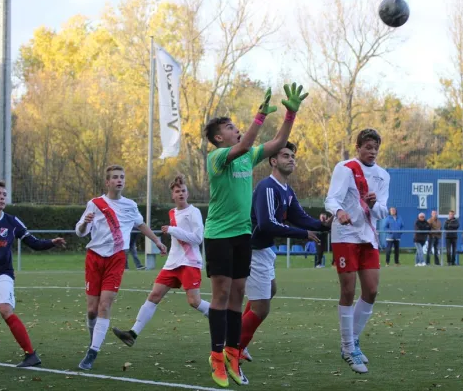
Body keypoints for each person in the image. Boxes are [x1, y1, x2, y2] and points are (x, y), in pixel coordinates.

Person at [203, 83, 308, 387]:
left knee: (238, 296)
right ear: (219, 138)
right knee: (221, 295)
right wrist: (259, 117)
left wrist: (290, 114)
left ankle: (233, 356)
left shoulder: (248, 156)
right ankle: (216, 357)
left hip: (242, 236)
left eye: (237, 125)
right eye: (230, 127)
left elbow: (278, 142)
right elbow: (246, 145)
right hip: (220, 236)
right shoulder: (218, 157)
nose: (236, 130)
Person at [239, 141, 331, 363]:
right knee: (261, 308)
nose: (291, 159)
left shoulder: (286, 190)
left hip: (264, 249)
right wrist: (303, 234)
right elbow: (267, 224)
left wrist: (323, 225)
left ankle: (237, 343)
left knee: (269, 291)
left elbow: (300, 217)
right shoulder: (267, 188)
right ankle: (231, 347)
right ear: (273, 161)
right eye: (285, 155)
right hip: (253, 250)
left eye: (293, 156)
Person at [75, 165, 167, 371]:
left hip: (116, 259)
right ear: (107, 182)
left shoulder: (130, 205)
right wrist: (84, 224)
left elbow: (141, 225)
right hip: (95, 258)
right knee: (92, 310)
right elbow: (80, 232)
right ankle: (93, 339)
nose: (119, 180)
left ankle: (93, 352)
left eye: (122, 177)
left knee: (104, 306)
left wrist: (158, 242)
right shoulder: (95, 204)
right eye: (115, 177)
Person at [111, 174, 210, 347]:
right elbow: (176, 239)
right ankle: (132, 333)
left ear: (187, 193)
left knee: (194, 302)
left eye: (183, 191)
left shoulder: (193, 212)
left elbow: (197, 238)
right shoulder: (172, 212)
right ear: (172, 195)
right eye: (177, 191)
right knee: (154, 295)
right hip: (173, 263)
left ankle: (222, 316)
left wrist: (173, 230)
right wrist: (164, 246)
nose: (181, 193)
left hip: (190, 263)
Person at [0, 180, 66, 367]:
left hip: (1, 275)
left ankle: (31, 355)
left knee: (5, 310)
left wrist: (51, 242)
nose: (2, 197)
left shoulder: (12, 221)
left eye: (4, 195)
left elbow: (33, 242)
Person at [325, 128, 390, 374]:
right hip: (345, 235)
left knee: (372, 290)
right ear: (358, 147)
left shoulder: (383, 176)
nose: (372, 152)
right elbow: (331, 199)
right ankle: (348, 347)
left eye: (375, 148)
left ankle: (351, 341)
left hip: (367, 236)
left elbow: (383, 210)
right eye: (368, 147)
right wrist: (339, 212)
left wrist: (374, 205)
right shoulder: (345, 168)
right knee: (348, 290)